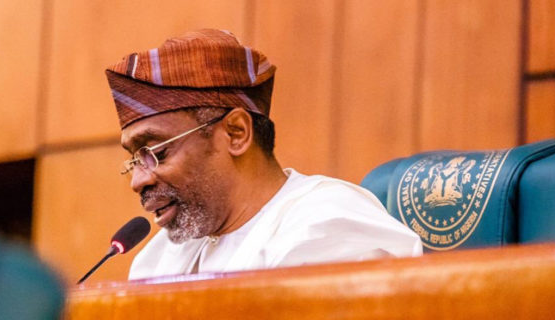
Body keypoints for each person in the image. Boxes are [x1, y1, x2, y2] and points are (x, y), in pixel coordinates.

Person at [104, 29, 422, 280]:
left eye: (156, 151)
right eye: (134, 159)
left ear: (236, 133)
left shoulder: (327, 228)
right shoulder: (159, 258)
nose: (138, 181)